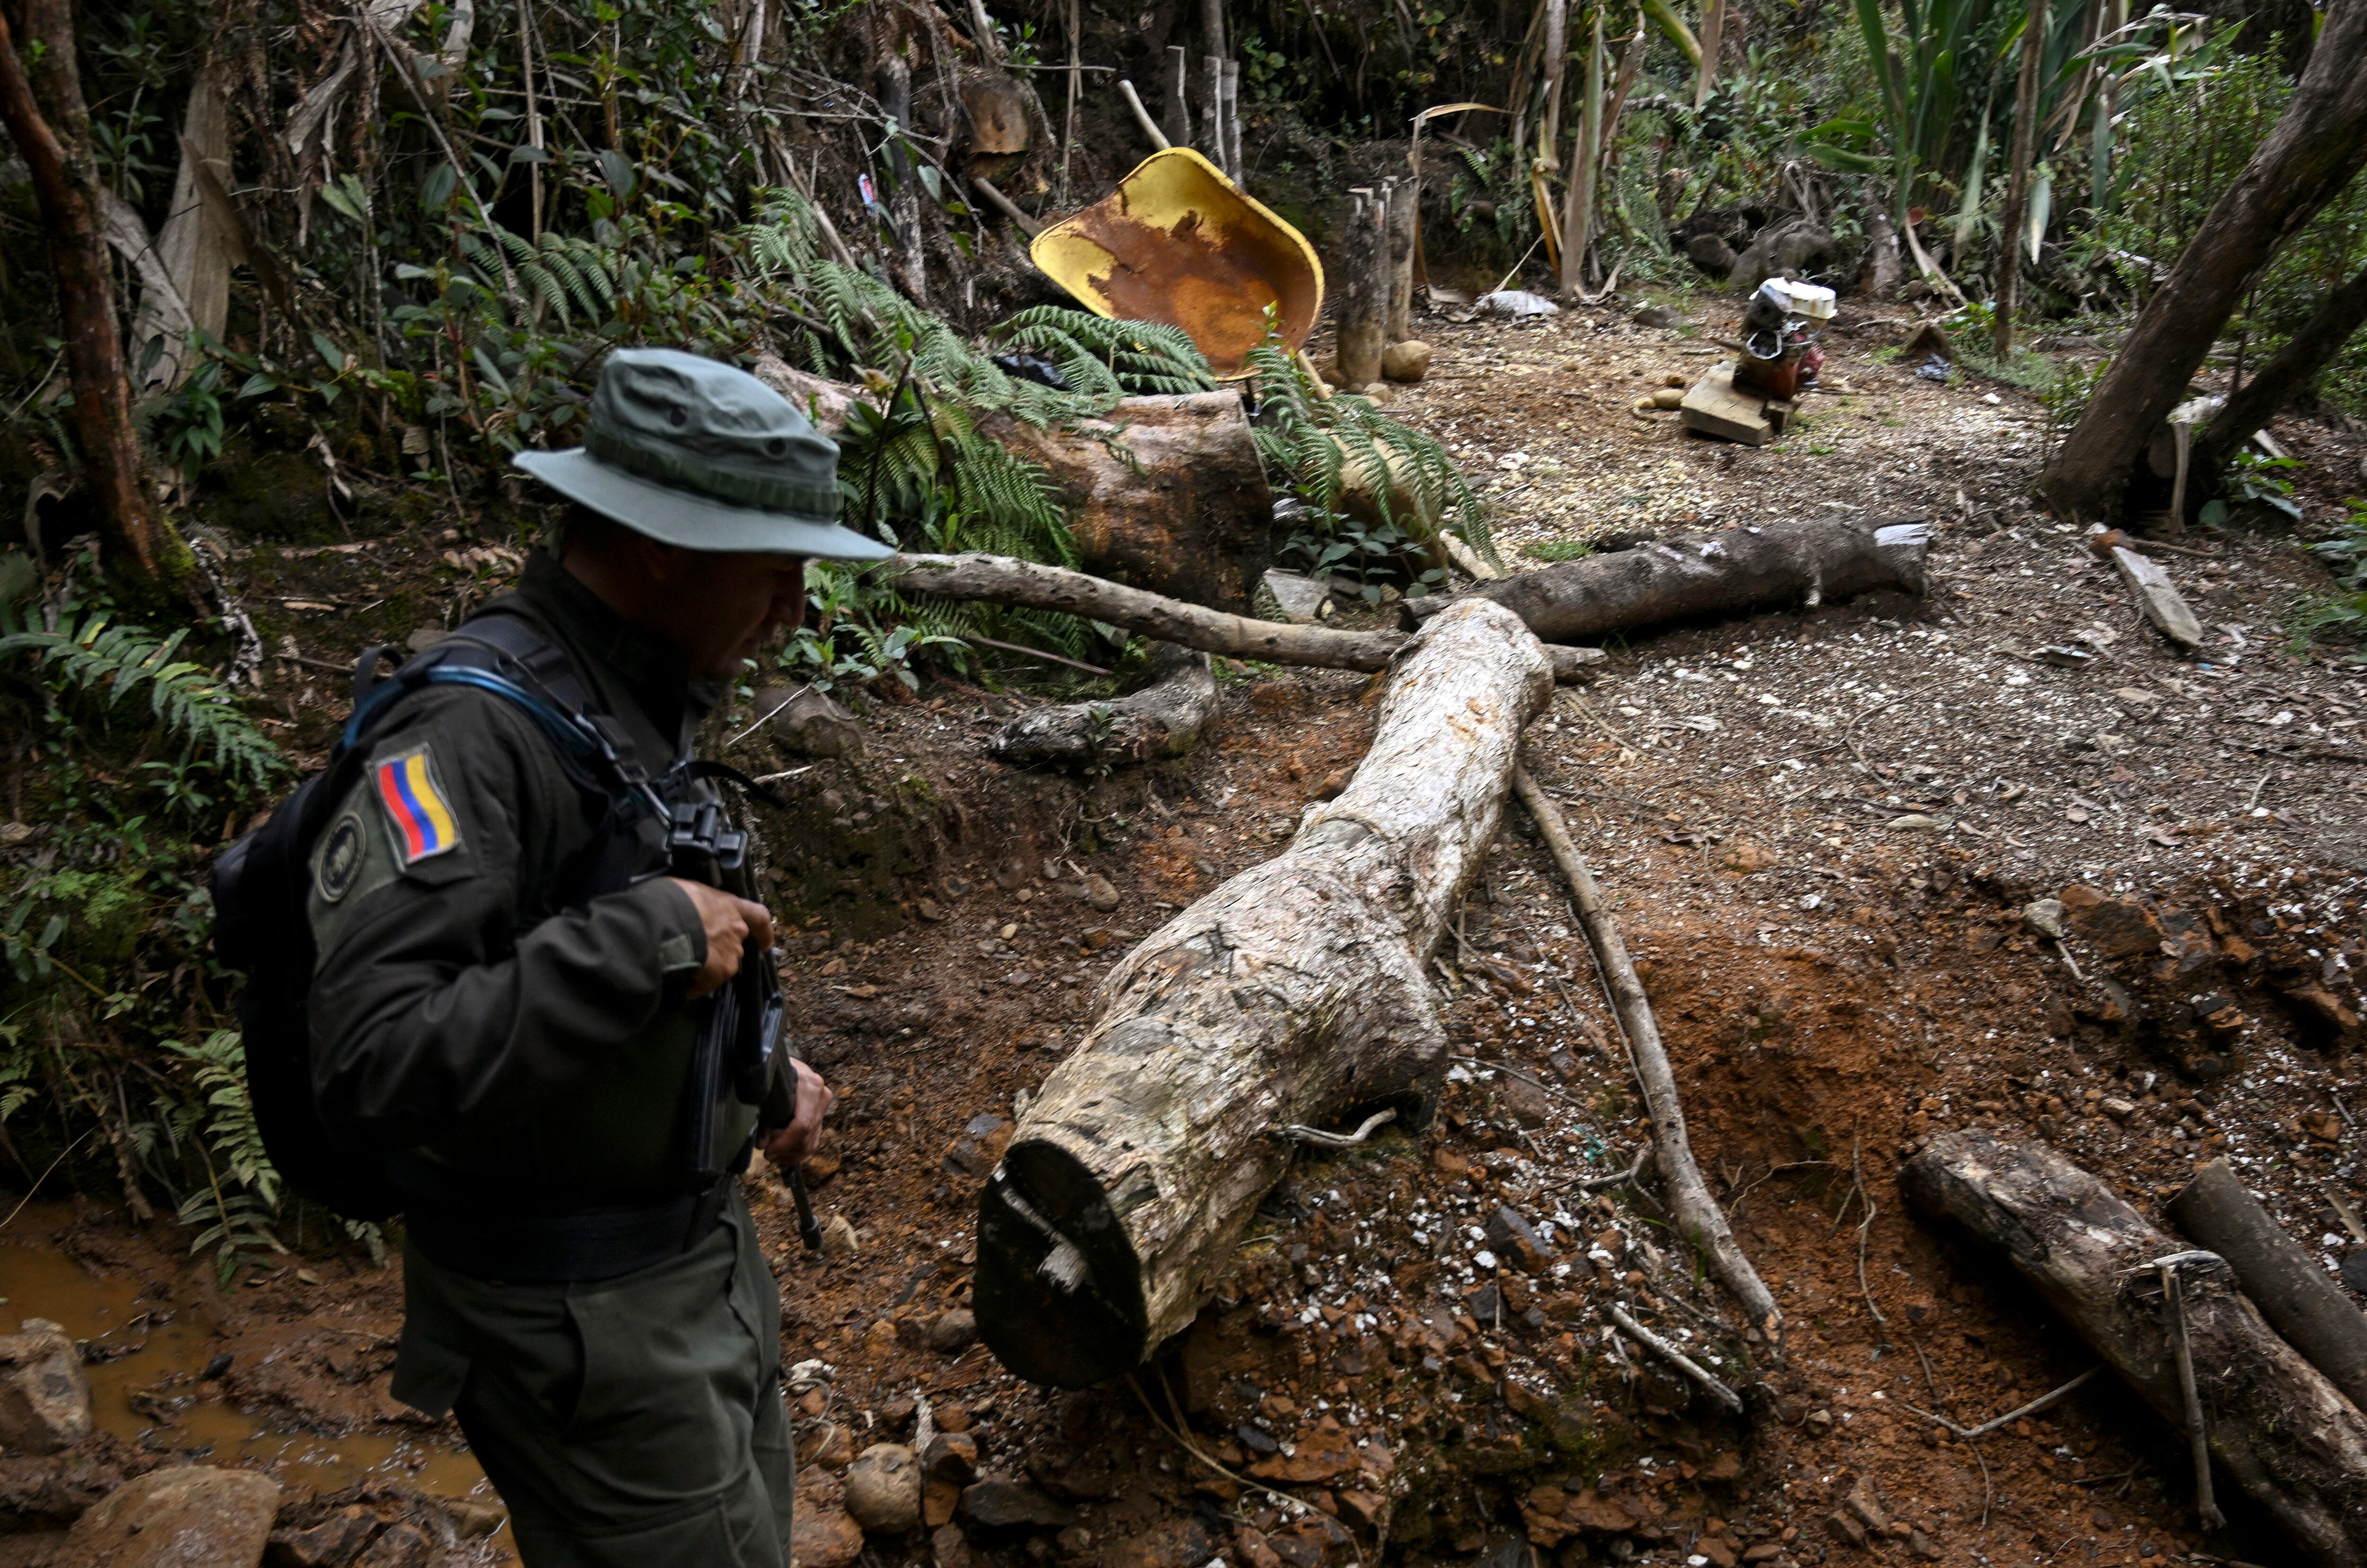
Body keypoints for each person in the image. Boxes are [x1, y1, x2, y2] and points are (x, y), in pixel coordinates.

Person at [303, 348, 892, 1566]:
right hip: (576, 1319)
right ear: (664, 547)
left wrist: (763, 1078)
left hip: (693, 1269)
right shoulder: (465, 736)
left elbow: (611, 927)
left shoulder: (631, 684)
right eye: (775, 568)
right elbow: (370, 1056)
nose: (793, 609)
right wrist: (654, 936)